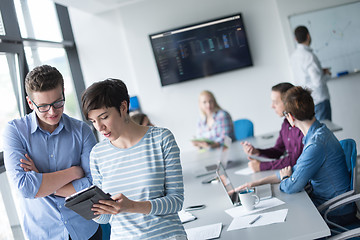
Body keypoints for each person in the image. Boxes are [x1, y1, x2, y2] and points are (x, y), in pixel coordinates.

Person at [2, 65, 101, 239]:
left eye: (57, 103)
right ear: (30, 103)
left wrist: (40, 178)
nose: (52, 112)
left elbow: (94, 185)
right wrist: (74, 172)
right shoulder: (14, 131)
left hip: (85, 230)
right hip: (43, 233)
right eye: (43, 106)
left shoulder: (82, 131)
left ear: (63, 92)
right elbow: (25, 188)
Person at [81, 78, 187, 239]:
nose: (99, 127)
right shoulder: (97, 154)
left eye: (104, 117)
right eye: (94, 121)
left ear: (123, 107)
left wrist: (132, 206)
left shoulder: (161, 139)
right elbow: (105, 218)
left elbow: (176, 201)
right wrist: (92, 209)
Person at [237, 86, 356, 225]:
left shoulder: (315, 144)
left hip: (334, 212)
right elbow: (296, 169)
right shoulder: (318, 133)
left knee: (286, 220)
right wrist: (256, 183)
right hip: (331, 204)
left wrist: (286, 178)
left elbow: (291, 186)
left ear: (290, 117)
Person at [241, 83, 304, 172]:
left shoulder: (301, 126)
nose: (272, 106)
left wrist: (261, 166)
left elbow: (295, 160)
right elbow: (278, 150)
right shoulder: (286, 124)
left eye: (276, 102)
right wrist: (257, 152)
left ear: (288, 103)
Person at [290, 25, 332, 121]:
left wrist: (320, 72)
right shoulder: (310, 56)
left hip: (305, 102)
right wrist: (327, 74)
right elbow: (318, 83)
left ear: (295, 39)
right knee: (324, 132)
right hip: (319, 100)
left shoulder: (293, 57)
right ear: (308, 36)